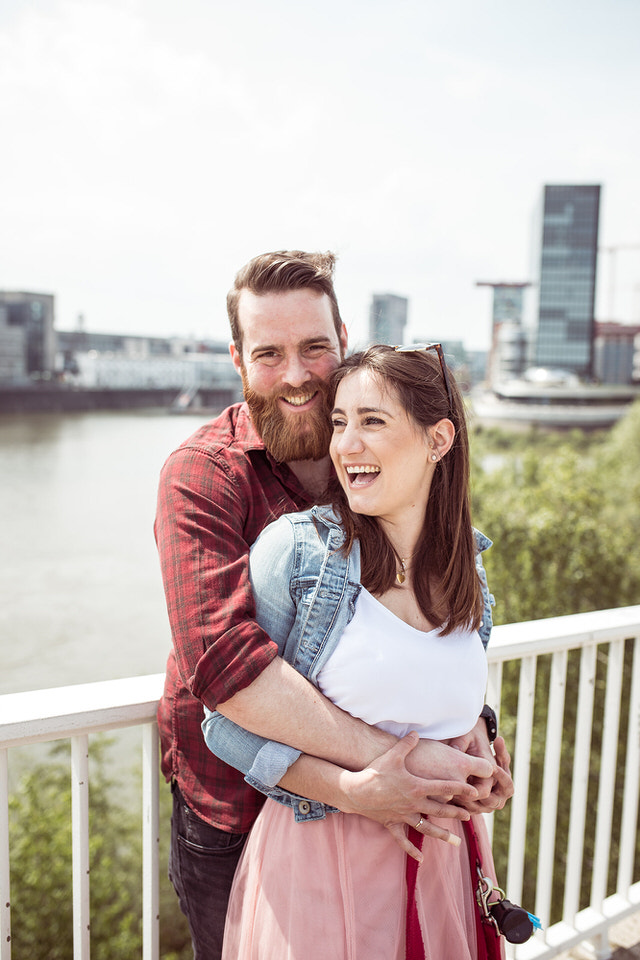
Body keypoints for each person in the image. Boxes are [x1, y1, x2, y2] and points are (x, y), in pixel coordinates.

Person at [155, 251, 512, 958]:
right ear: (237, 359)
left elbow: (407, 629)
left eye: (314, 347)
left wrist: (468, 726)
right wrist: (403, 771)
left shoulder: (382, 476)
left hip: (393, 825)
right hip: (239, 814)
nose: (295, 375)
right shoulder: (204, 475)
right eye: (268, 353)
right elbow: (226, 670)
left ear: (342, 340)